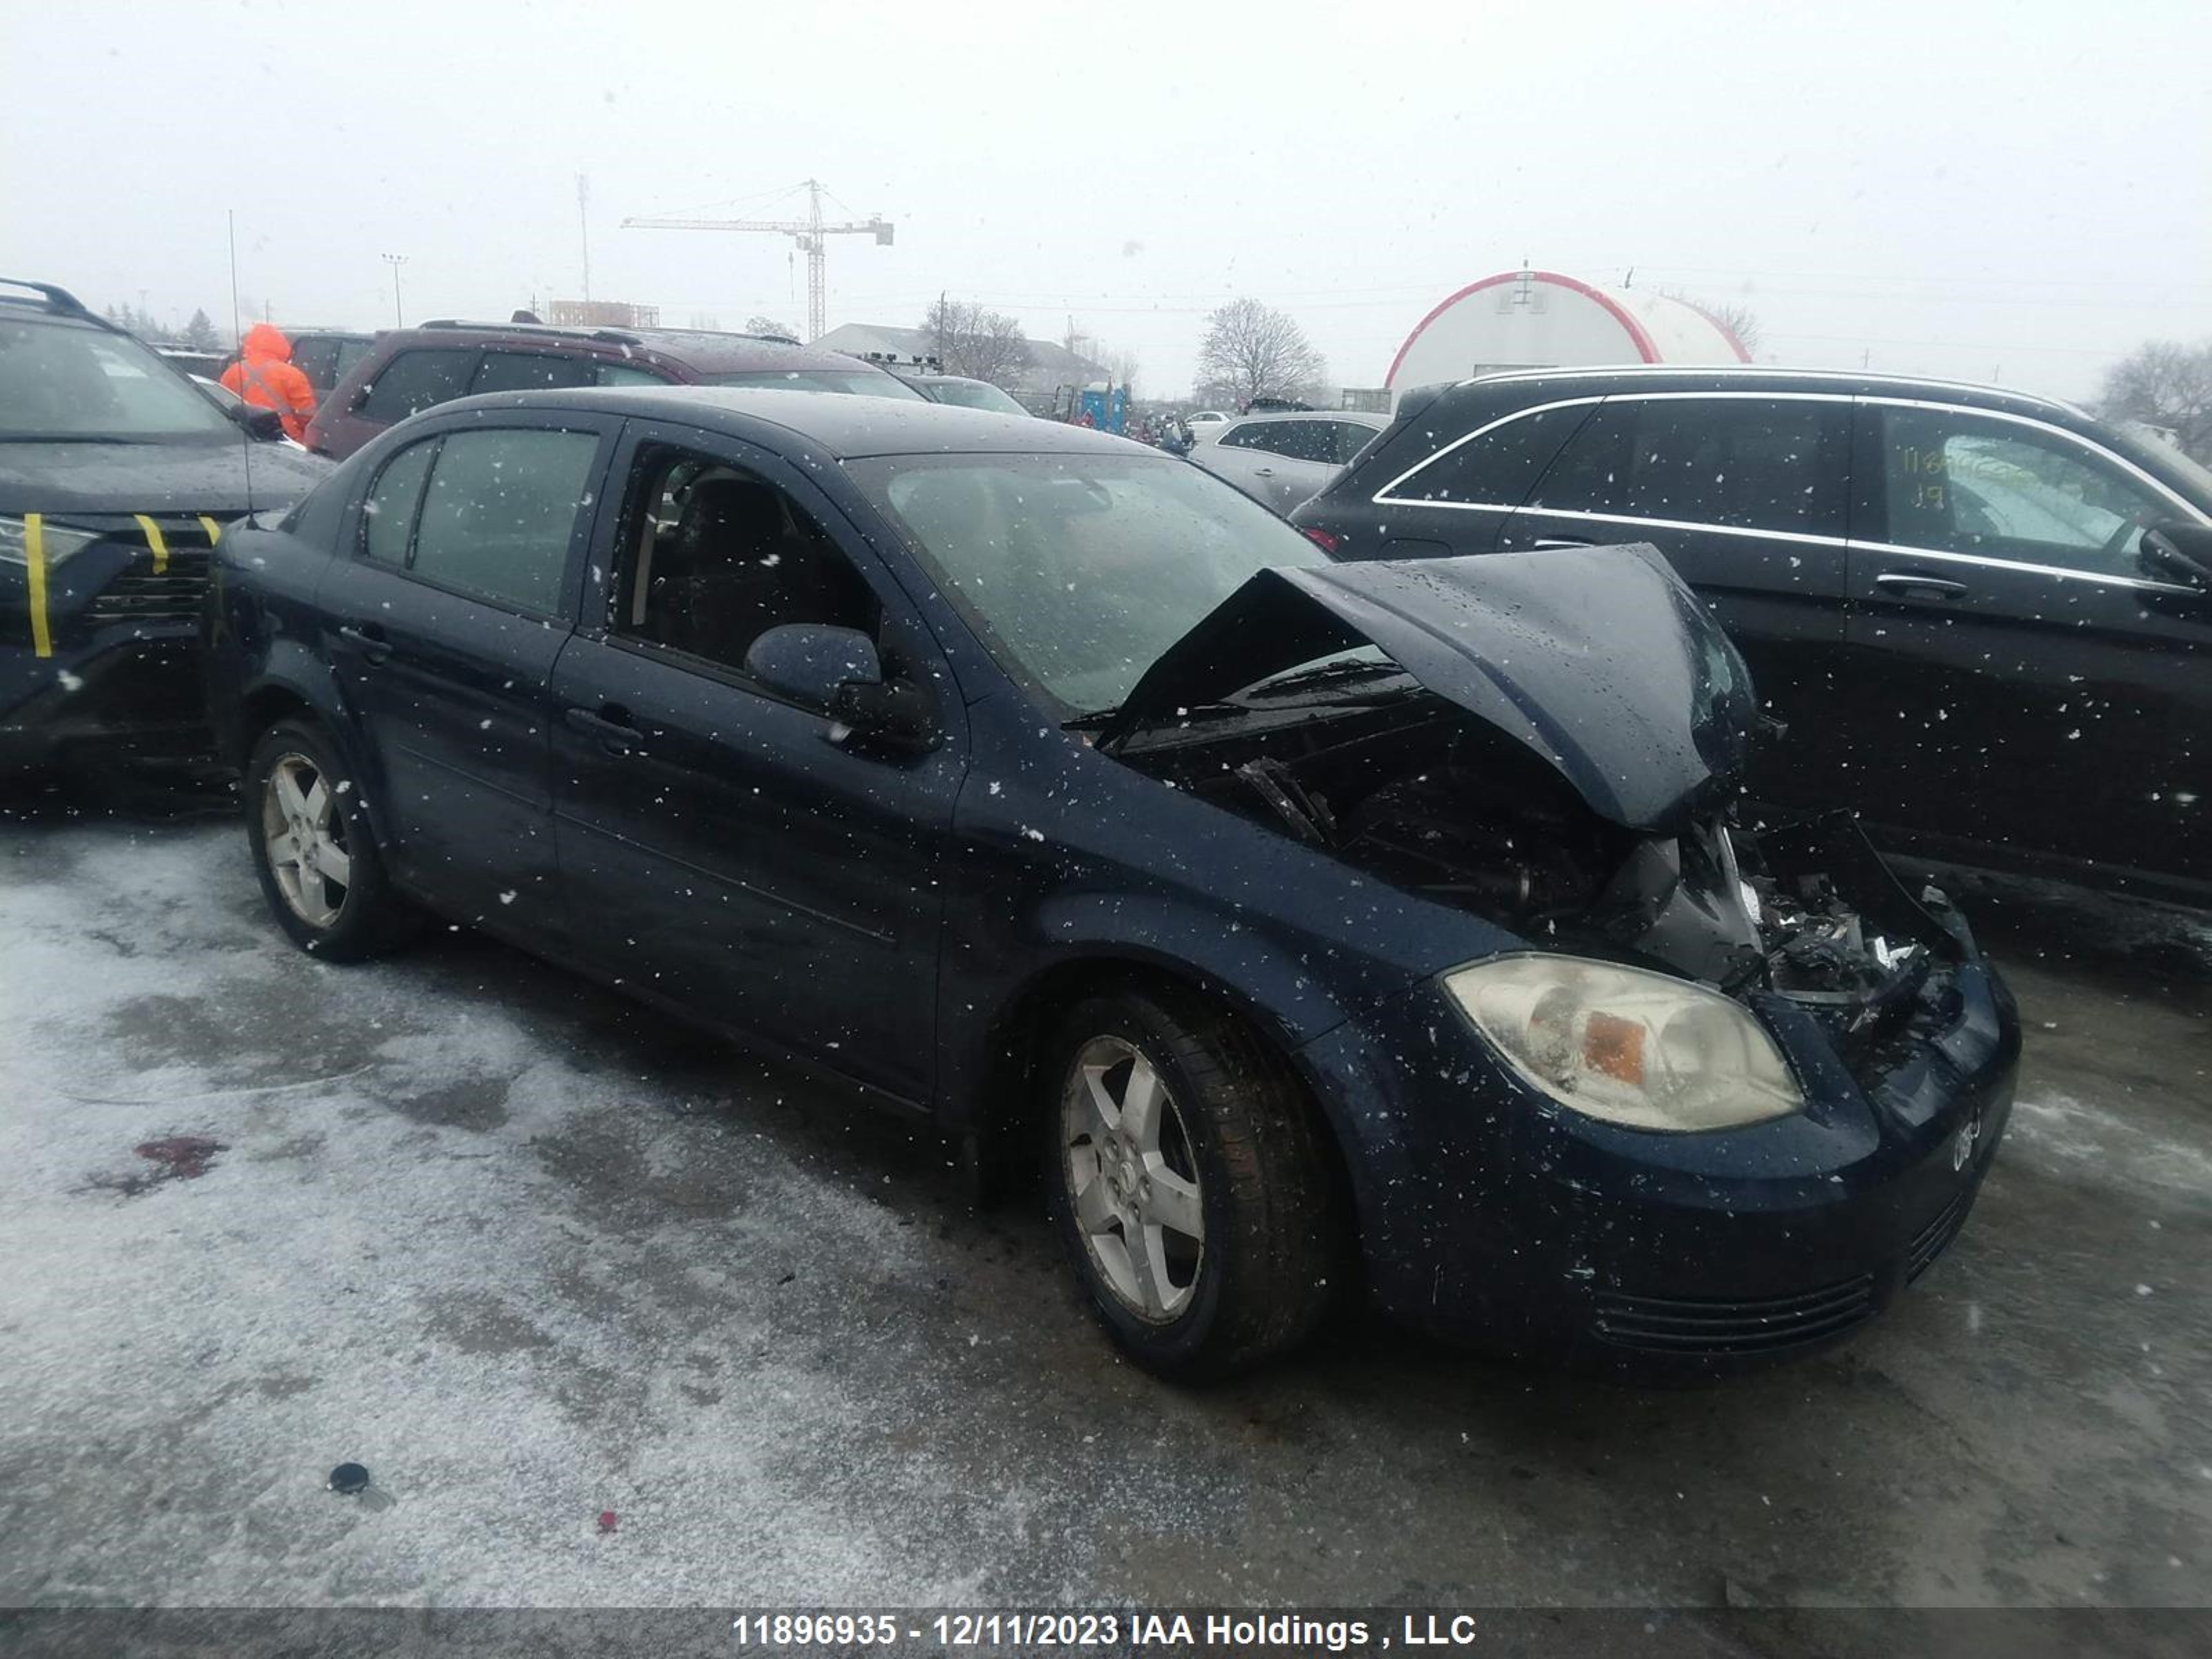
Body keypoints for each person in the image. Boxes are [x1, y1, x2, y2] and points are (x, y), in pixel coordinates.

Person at [219, 323, 316, 443]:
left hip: (242, 438)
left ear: (250, 345)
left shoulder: (233, 371)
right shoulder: (292, 374)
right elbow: (306, 416)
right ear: (281, 346)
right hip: (283, 438)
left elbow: (221, 405)